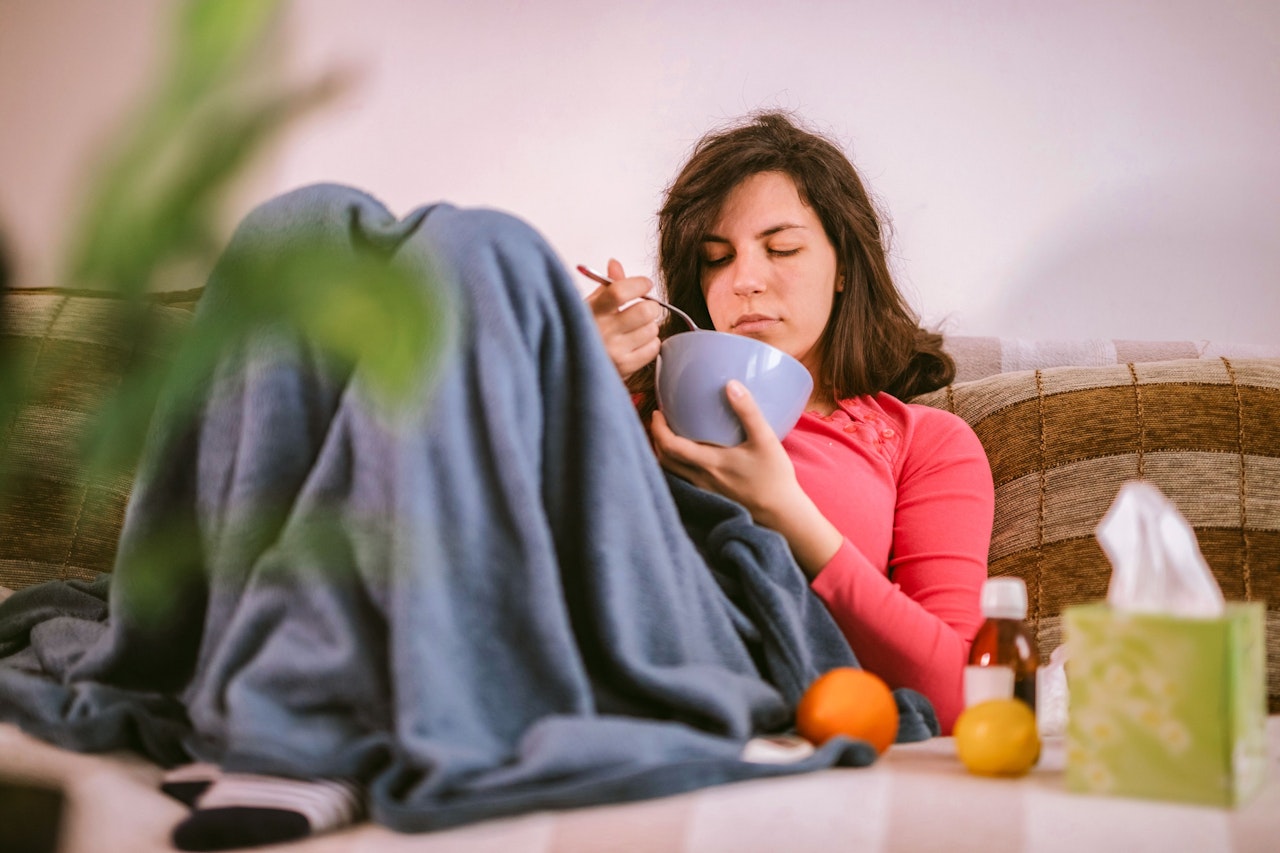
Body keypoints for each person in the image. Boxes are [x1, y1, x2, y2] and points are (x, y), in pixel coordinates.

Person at [587, 112, 995, 733]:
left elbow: (956, 694)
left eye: (782, 249)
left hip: (782, 705)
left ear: (842, 268)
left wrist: (785, 512)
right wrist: (577, 369)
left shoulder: (922, 443)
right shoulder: (638, 404)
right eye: (715, 260)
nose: (743, 280)